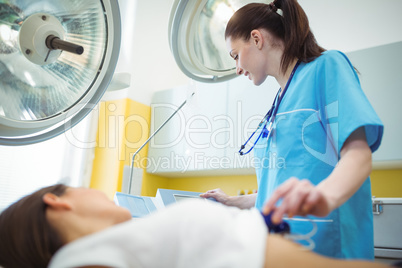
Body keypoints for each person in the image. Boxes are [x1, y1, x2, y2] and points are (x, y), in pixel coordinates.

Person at [200, 0, 383, 259]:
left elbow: (359, 155)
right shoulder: (279, 100)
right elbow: (282, 184)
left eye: (235, 56)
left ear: (256, 38)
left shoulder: (326, 67)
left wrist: (323, 197)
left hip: (325, 250)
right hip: (278, 251)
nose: (237, 68)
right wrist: (235, 201)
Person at [0, 184, 395, 268]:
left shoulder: (122, 246)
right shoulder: (76, 260)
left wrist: (256, 223)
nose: (98, 190)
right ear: (57, 200)